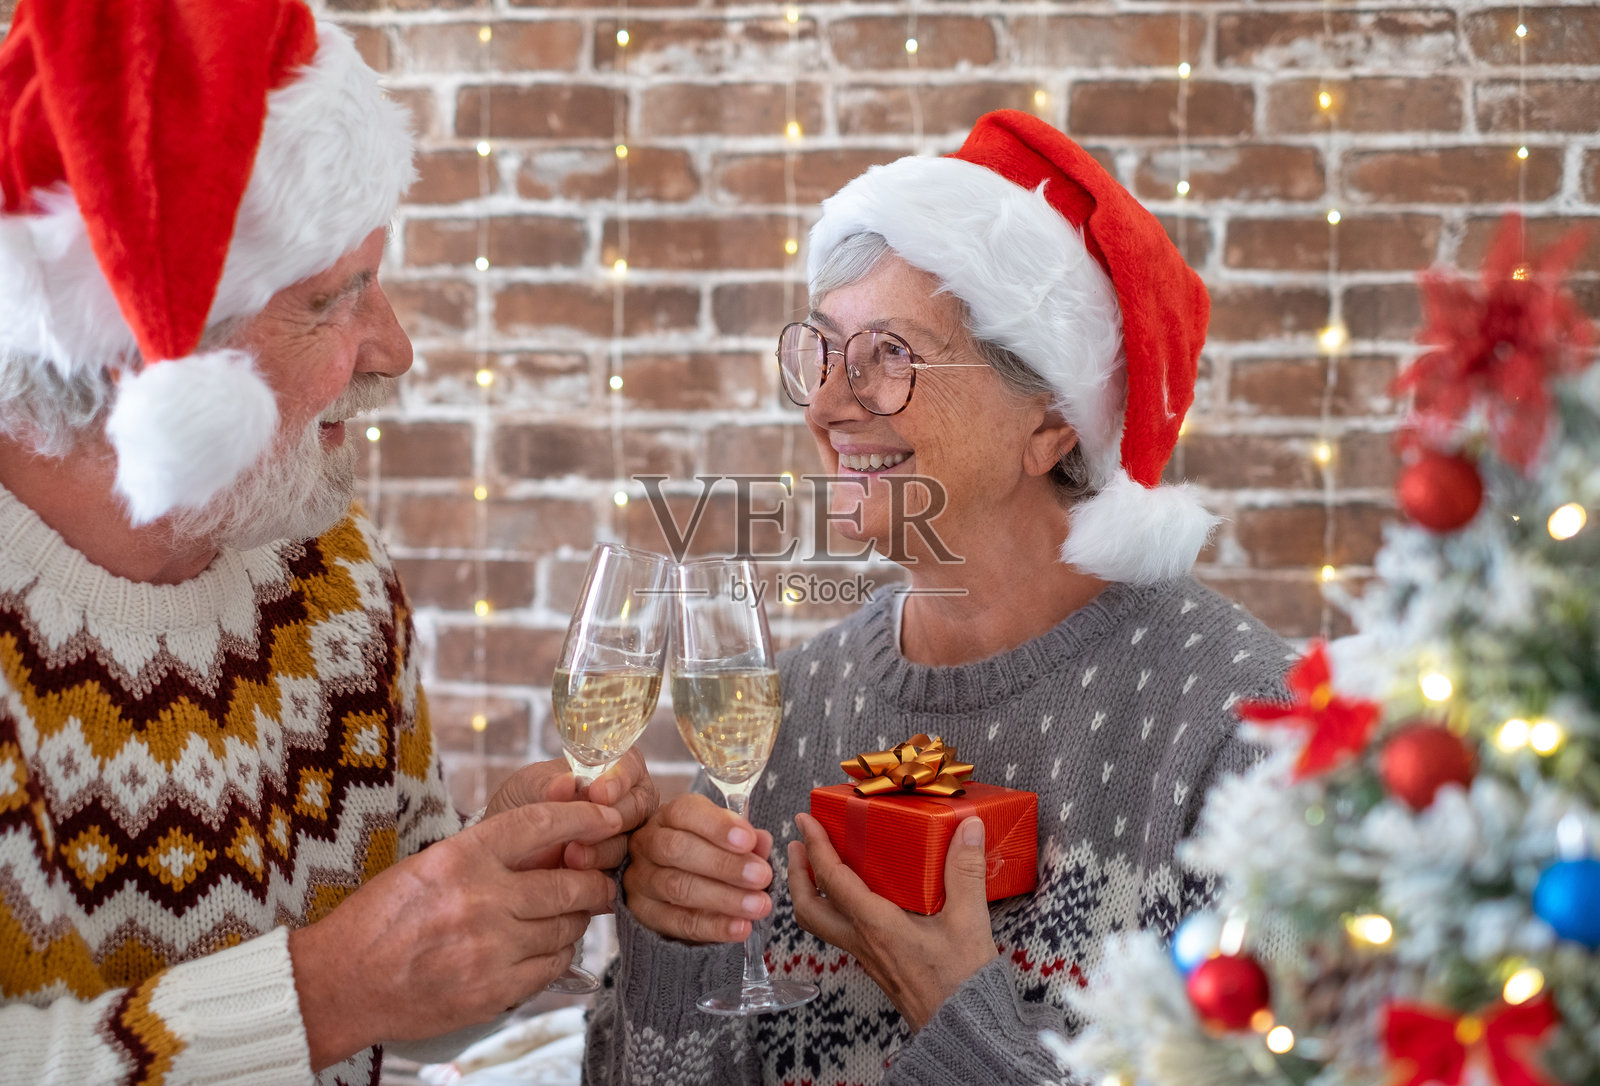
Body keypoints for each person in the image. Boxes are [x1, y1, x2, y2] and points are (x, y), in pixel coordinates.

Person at [0, 2, 654, 1083]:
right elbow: (339, 996)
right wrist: (326, 987)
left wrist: (472, 891)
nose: (394, 346)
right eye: (331, 301)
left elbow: (396, 1030)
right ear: (148, 359)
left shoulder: (325, 569)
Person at [584, 110, 1292, 1085]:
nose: (827, 405)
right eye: (822, 350)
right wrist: (670, 948)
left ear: (1049, 425)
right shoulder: (781, 716)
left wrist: (957, 1015)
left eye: (889, 356)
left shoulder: (1246, 732)